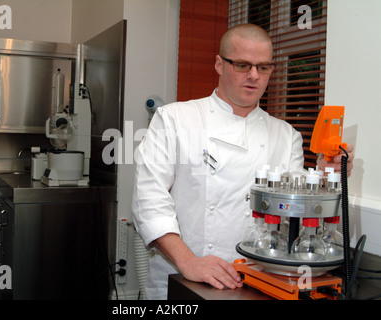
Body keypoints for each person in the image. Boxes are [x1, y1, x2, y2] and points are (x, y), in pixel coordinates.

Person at [131, 23, 354, 300]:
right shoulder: (175, 119)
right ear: (219, 64)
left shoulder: (286, 136)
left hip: (260, 282)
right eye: (242, 65)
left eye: (263, 67)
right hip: (182, 280)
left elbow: (293, 217)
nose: (253, 76)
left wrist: (323, 180)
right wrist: (189, 262)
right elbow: (149, 202)